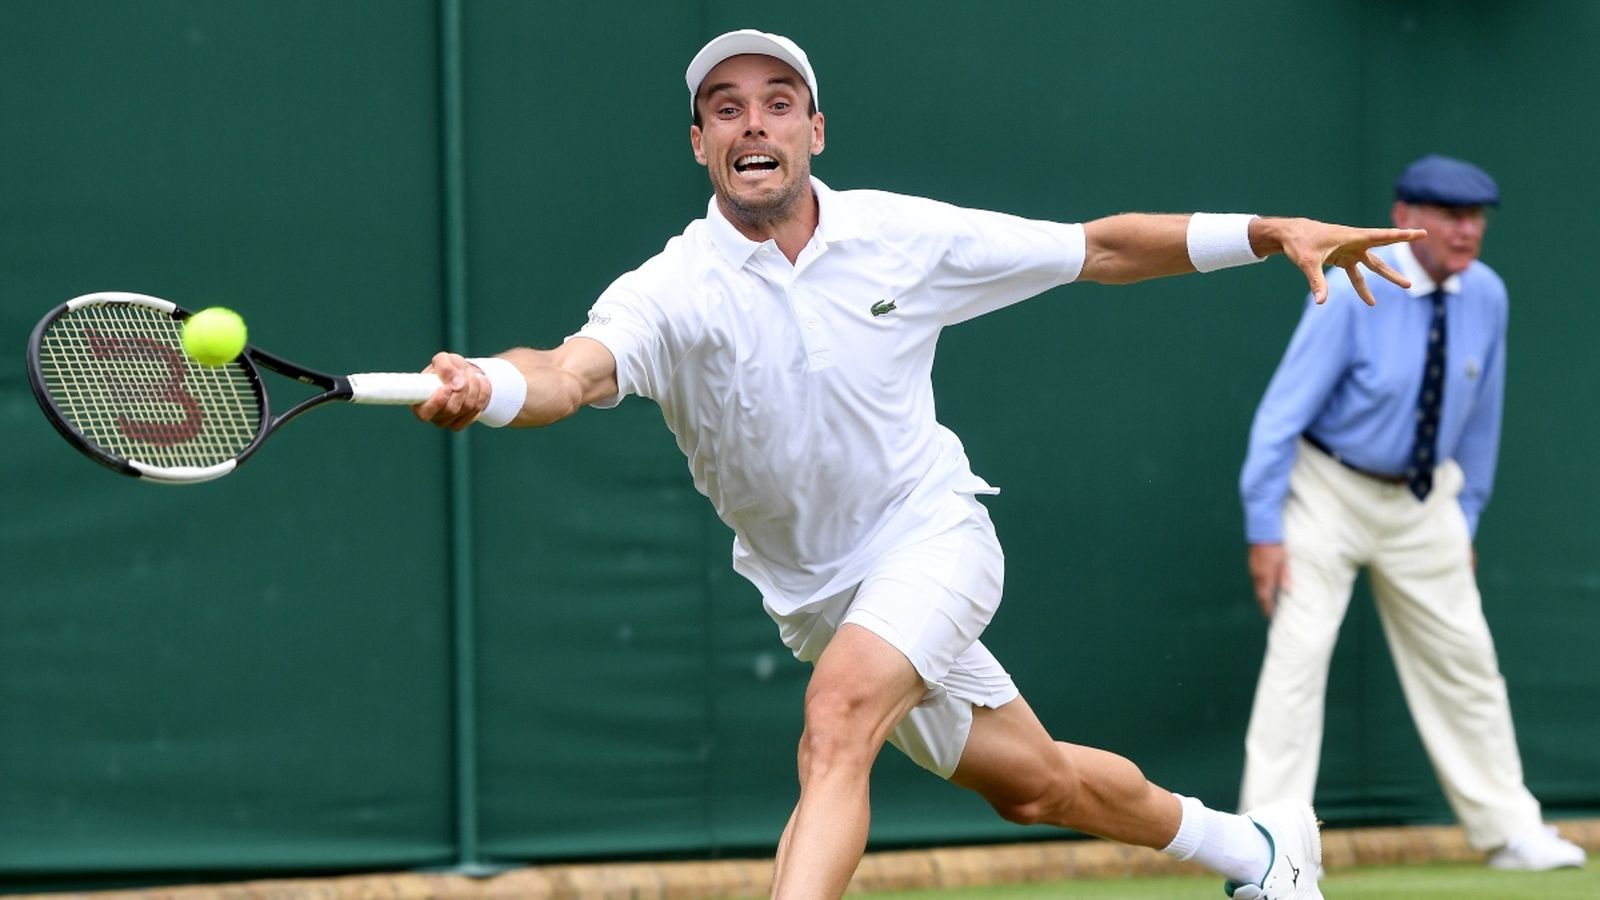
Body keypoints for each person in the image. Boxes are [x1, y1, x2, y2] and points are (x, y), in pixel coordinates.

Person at [415, 28, 1425, 900]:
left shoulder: (899, 235)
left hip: (930, 535)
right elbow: (567, 372)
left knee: (837, 721)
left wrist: (1267, 234)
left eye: (778, 104)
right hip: (814, 595)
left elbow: (1098, 250)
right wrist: (489, 389)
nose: (752, 124)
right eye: (726, 110)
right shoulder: (672, 288)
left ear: (816, 131)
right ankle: (1257, 850)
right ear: (700, 144)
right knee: (1033, 785)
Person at [1237, 155, 1586, 872]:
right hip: (1327, 492)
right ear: (1404, 218)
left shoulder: (1488, 296)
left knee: (1468, 662)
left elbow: (1482, 418)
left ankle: (1510, 831)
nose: (1468, 232)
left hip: (1428, 501)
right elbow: (1280, 415)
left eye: (1477, 218)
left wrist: (1470, 517)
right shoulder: (1349, 284)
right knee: (1297, 663)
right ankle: (1269, 847)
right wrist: (1265, 527)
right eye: (1452, 217)